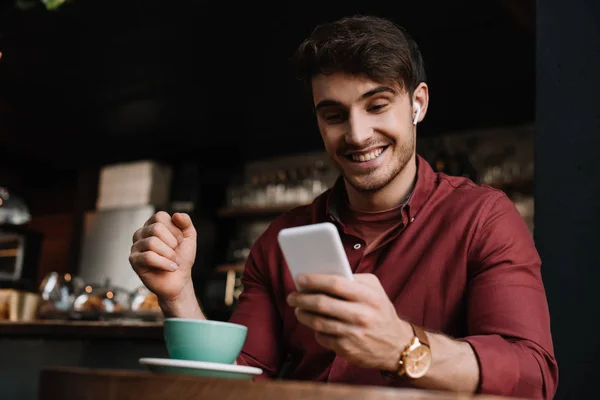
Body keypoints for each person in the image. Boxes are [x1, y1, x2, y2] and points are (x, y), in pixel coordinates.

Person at [129, 15, 558, 400]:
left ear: (417, 104)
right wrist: (178, 293)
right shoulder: (278, 241)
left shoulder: (484, 218)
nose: (356, 134)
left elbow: (532, 375)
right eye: (334, 115)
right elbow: (238, 382)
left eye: (377, 105)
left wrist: (403, 347)